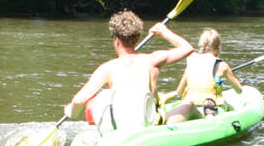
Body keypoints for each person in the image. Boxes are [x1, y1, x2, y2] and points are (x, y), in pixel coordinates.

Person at [63, 10, 194, 131]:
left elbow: (79, 100)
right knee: (189, 106)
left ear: (116, 40)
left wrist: (71, 111)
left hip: (120, 124)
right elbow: (188, 48)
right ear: (137, 38)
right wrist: (164, 32)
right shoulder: (152, 60)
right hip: (150, 124)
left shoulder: (107, 68)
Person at [164, 28, 243, 124]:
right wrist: (224, 77)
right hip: (212, 105)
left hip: (190, 104)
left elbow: (179, 92)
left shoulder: (191, 62)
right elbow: (239, 90)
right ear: (217, 47)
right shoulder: (222, 65)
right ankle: (209, 115)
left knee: (187, 105)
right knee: (228, 106)